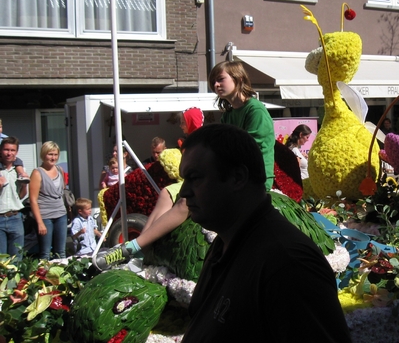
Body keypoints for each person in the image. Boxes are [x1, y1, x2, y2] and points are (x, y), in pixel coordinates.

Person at [178, 124, 351, 342]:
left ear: (238, 177)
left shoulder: (288, 263)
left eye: (194, 178)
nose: (184, 192)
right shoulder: (224, 244)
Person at [93, 108, 204, 270]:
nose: (180, 125)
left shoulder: (201, 141)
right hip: (188, 180)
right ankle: (138, 252)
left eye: (183, 122)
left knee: (184, 202)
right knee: (166, 192)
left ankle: (132, 249)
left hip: (200, 181)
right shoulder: (188, 142)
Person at [209, 61, 275, 190]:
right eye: (213, 82)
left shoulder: (255, 110)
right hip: (235, 178)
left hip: (255, 179)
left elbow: (248, 148)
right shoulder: (228, 114)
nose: (216, 85)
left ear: (238, 78)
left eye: (220, 79)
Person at [29, 141, 68, 260]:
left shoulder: (59, 169)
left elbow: (62, 190)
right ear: (44, 154)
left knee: (61, 252)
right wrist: (40, 222)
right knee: (45, 252)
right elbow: (33, 200)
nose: (53, 157)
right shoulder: (37, 173)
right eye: (50, 154)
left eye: (55, 154)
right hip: (45, 216)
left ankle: (61, 276)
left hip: (61, 214)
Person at [0, 137, 29, 259]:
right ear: (1, 150)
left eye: (12, 150)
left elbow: (21, 196)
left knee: (16, 259)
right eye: (6, 149)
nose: (9, 153)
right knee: (1, 260)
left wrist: (24, 185)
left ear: (16, 152)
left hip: (16, 217)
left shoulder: (19, 171)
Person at [0, 120, 29, 184]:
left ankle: (22, 174)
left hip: (3, 156)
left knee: (18, 161)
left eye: (0, 127)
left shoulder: (4, 137)